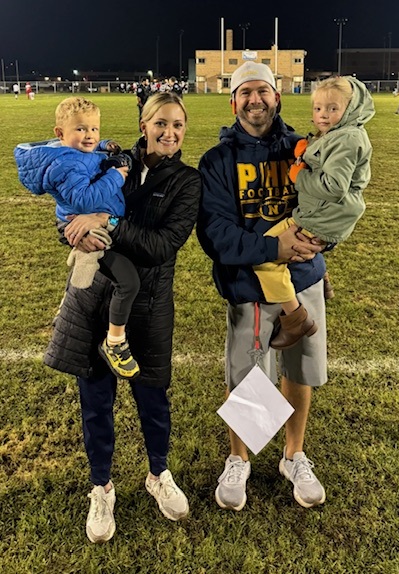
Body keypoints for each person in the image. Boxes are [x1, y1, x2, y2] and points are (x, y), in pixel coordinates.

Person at [43, 92, 202, 542]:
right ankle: (102, 486)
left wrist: (108, 225)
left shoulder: (187, 182)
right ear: (144, 123)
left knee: (153, 402)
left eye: (178, 125)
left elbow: (161, 247)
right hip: (93, 300)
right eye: (161, 123)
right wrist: (72, 229)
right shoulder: (107, 158)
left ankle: (158, 474)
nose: (169, 132)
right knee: (95, 403)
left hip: (149, 306)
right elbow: (70, 205)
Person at [197, 61, 327, 511]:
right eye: (246, 92)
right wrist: (276, 250)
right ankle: (240, 458)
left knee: (299, 368)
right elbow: (215, 234)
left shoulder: (304, 149)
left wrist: (319, 244)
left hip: (303, 278)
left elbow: (329, 204)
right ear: (233, 101)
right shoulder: (217, 161)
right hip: (248, 284)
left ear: (277, 96)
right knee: (250, 375)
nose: (255, 100)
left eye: (263, 91)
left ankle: (294, 454)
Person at [14, 96, 140, 380]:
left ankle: (68, 301)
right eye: (81, 129)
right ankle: (115, 342)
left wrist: (105, 144)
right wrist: (117, 175)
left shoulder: (69, 152)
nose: (90, 136)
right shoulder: (66, 164)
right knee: (127, 280)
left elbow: (88, 151)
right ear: (60, 134)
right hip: (90, 226)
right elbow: (83, 200)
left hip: (94, 221)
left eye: (94, 129)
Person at [253, 76, 375, 350]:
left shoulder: (348, 139)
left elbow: (333, 187)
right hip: (319, 213)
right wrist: (307, 150)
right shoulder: (341, 133)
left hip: (320, 215)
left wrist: (299, 175)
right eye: (318, 108)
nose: (323, 115)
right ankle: (322, 277)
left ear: (351, 108)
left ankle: (296, 321)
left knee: (264, 259)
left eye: (333, 108)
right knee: (288, 243)